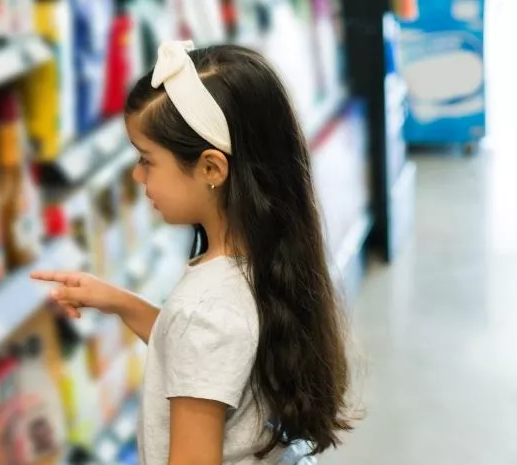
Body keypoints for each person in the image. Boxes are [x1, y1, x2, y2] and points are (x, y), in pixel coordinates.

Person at [31, 42, 355, 464]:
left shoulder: (202, 311)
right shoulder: (264, 261)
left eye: (147, 160)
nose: (137, 175)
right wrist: (121, 303)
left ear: (211, 168)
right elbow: (205, 357)